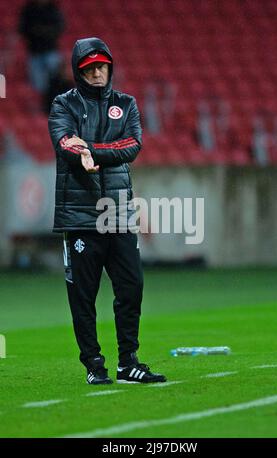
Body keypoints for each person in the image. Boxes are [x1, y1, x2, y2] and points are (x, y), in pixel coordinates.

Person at [48, 37, 166, 385]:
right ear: (79, 71)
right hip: (80, 216)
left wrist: (92, 152)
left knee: (131, 286)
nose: (97, 72)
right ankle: (94, 365)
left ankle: (128, 361)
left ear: (110, 67)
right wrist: (79, 151)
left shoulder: (126, 104)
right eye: (89, 68)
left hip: (117, 214)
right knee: (83, 296)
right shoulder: (63, 104)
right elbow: (64, 140)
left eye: (102, 66)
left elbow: (132, 145)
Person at [18, 0, 65, 93]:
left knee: (56, 79)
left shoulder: (53, 9)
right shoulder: (29, 10)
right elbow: (22, 28)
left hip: (51, 50)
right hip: (34, 52)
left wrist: (42, 31)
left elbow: (60, 27)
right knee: (38, 86)